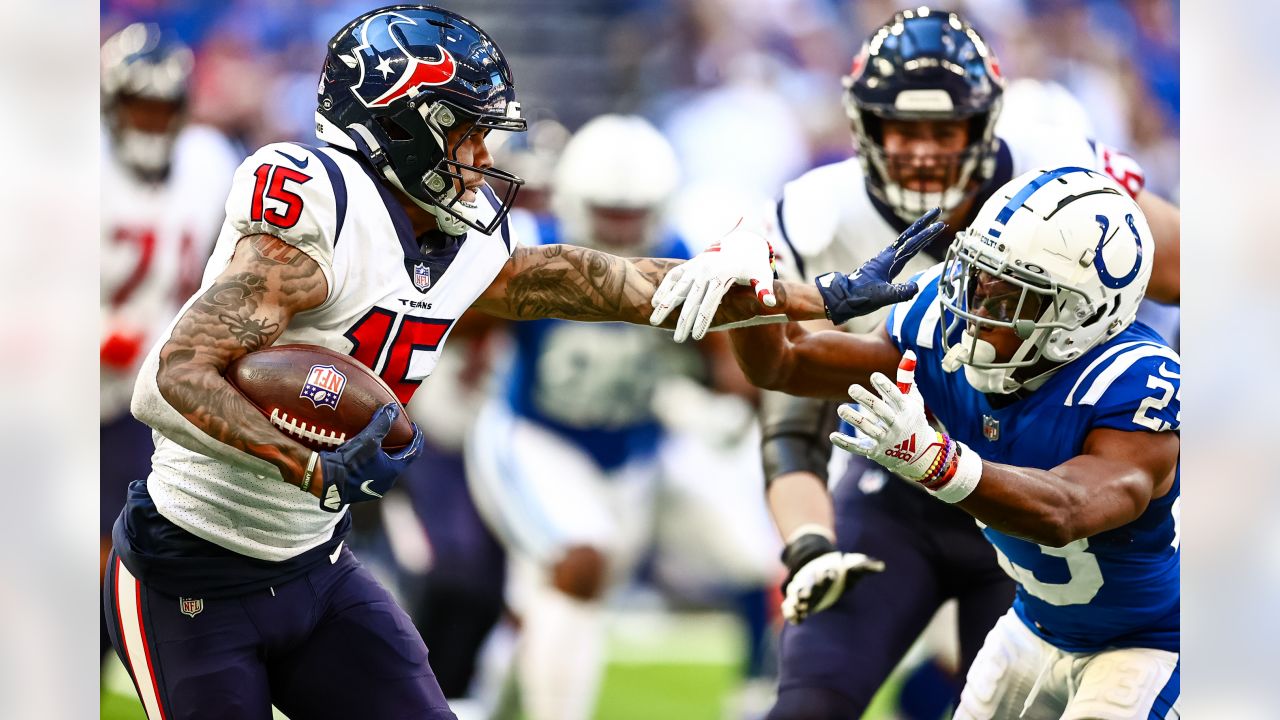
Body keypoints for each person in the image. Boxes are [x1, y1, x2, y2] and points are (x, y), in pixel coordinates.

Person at [102, 7, 843, 719]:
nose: (483, 158)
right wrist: (306, 465)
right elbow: (173, 378)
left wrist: (816, 296)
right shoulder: (320, 208)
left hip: (313, 565)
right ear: (396, 126)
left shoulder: (463, 242)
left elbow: (601, 281)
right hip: (189, 571)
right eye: (465, 132)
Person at [707, 9, 1181, 718]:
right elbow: (790, 377)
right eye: (972, 276)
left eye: (1010, 292)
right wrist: (746, 295)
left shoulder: (1132, 377)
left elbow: (1066, 509)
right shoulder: (837, 227)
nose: (976, 305)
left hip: (1054, 535)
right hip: (909, 485)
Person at [465, 113, 773, 720]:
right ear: (577, 200)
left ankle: (484, 701)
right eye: (610, 211)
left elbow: (732, 368)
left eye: (635, 212)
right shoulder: (533, 248)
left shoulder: (683, 258)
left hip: (633, 451)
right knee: (582, 561)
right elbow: (452, 319)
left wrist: (718, 401)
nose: (622, 227)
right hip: (536, 434)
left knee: (556, 595)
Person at [99, 21, 239, 661]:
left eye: (163, 108)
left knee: (130, 547)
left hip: (147, 390)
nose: (152, 122)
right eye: (139, 106)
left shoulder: (211, 163)